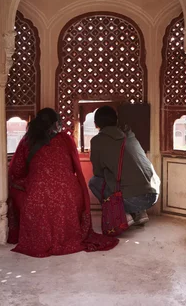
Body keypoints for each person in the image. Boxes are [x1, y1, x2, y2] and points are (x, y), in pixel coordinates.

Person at [7, 107, 119, 257]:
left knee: (15, 188)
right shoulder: (65, 139)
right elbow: (74, 168)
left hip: (36, 198)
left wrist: (35, 177)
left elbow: (16, 170)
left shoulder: (27, 141)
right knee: (66, 189)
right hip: (69, 197)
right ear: (55, 124)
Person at [89, 105, 160, 227]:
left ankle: (122, 214)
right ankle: (139, 213)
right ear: (116, 121)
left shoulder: (97, 141)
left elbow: (98, 172)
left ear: (96, 124)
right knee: (127, 180)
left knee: (95, 182)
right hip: (154, 195)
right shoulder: (129, 134)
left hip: (133, 199)